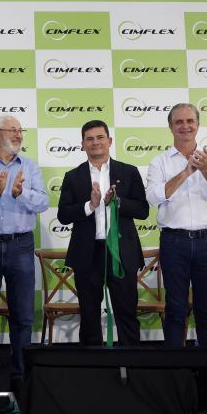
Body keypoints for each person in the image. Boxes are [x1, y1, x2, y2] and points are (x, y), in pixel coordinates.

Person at [0, 115, 48, 395]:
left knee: (23, 315)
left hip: (20, 245)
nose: (17, 135)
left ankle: (20, 373)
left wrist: (20, 194)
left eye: (19, 131)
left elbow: (43, 202)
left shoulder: (29, 166)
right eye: (11, 131)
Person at [146, 103, 207, 347]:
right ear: (170, 127)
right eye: (179, 122)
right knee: (175, 308)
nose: (185, 126)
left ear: (198, 124)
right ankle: (174, 373)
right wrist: (186, 172)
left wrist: (206, 170)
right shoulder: (159, 162)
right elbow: (153, 197)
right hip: (175, 242)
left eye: (190, 121)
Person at [57, 120, 148, 346]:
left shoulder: (129, 172)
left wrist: (117, 202)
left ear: (109, 141)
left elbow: (143, 210)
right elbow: (63, 215)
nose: (95, 142)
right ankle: (92, 370)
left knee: (126, 311)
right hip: (88, 254)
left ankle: (132, 366)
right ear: (82, 145)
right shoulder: (73, 176)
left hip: (121, 253)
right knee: (89, 315)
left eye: (100, 137)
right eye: (89, 139)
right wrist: (91, 204)